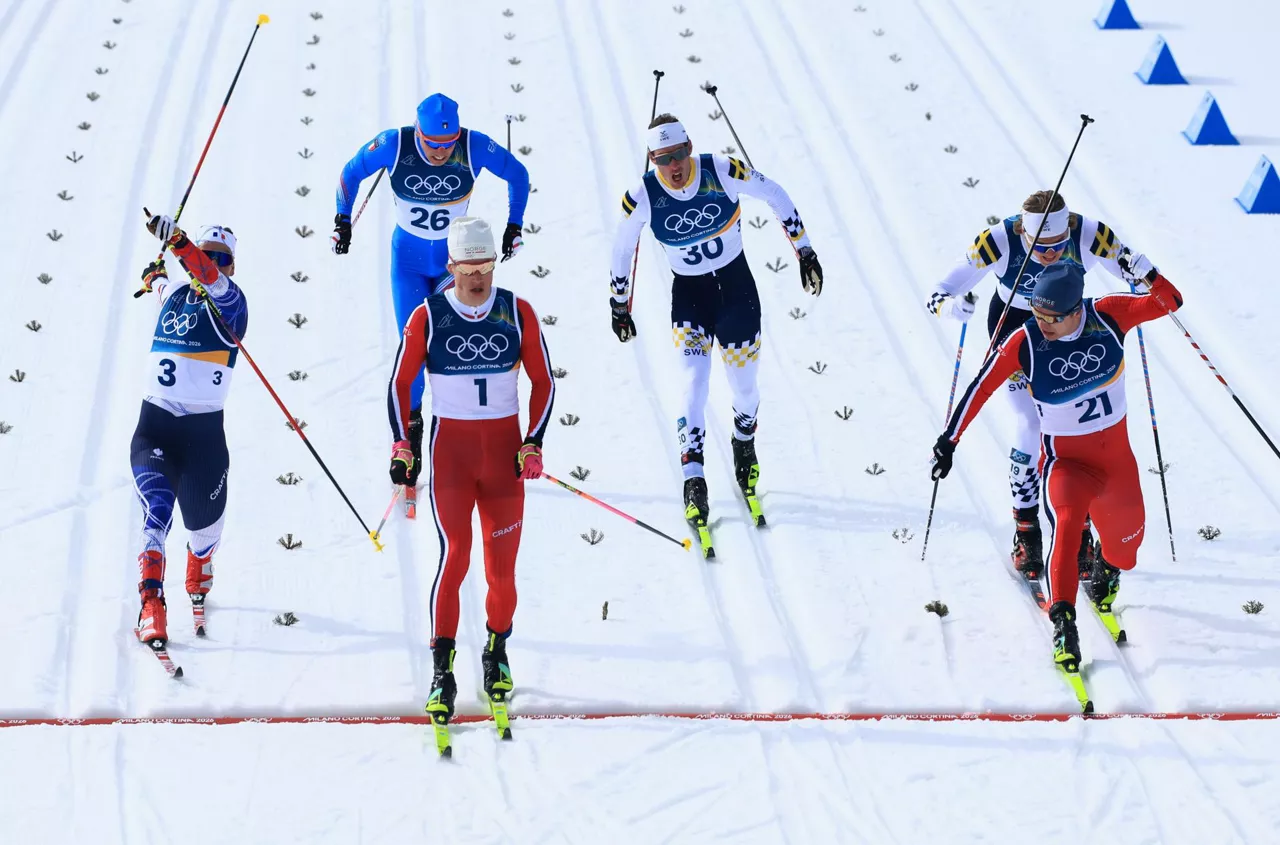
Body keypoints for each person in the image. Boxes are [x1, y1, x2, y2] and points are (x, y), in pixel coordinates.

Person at [929, 260, 1182, 671]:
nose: (1042, 323)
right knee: (1066, 525)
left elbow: (1170, 301)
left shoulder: (1109, 315)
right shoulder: (1024, 341)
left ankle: (1108, 570)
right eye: (1037, 313)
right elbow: (981, 386)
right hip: (1067, 464)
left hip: (1117, 463)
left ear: (1076, 310)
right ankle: (1064, 623)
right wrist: (949, 440)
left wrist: (1145, 271)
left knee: (1127, 545)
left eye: (1052, 317)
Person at [923, 190, 1163, 581]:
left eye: (1058, 246)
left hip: (1074, 330)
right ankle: (1027, 529)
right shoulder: (998, 240)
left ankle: (1080, 525)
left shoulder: (1088, 233)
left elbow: (1138, 277)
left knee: (1074, 431)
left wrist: (1143, 272)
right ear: (1023, 232)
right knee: (1032, 426)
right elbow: (936, 295)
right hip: (1016, 330)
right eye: (1040, 247)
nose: (1051, 254)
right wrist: (953, 307)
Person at [607, 113, 823, 534]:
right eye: (664, 158)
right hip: (690, 299)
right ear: (652, 159)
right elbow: (622, 247)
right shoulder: (643, 194)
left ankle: (744, 444)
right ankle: (694, 481)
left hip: (737, 292)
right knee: (693, 384)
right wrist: (619, 304)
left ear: (690, 147)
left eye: (681, 153)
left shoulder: (720, 170)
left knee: (744, 386)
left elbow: (776, 194)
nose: (675, 165)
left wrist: (806, 252)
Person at [386, 216, 554, 725]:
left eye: (486, 267)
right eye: (468, 270)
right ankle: (442, 669)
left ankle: (496, 651)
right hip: (453, 456)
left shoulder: (518, 312)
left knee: (501, 572)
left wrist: (533, 442)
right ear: (451, 266)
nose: (478, 280)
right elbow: (399, 383)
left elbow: (544, 382)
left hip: (503, 459)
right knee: (455, 555)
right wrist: (402, 443)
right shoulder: (429, 316)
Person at [335, 93, 531, 486]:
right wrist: (342, 218)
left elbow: (518, 174)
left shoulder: (472, 146)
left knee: (446, 345)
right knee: (412, 346)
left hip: (450, 263)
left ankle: (457, 435)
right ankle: (408, 436)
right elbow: (350, 173)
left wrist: (515, 225)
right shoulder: (395, 144)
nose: (442, 152)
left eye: (448, 144)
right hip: (406, 261)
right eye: (433, 144)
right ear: (419, 134)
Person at [131, 213, 250, 647]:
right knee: (156, 516)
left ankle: (199, 559)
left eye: (221, 259)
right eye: (209, 254)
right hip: (155, 427)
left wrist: (179, 242)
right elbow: (162, 284)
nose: (213, 264)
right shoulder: (176, 294)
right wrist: (154, 276)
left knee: (204, 532)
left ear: (231, 266)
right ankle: (151, 605)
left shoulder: (233, 303)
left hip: (203, 440)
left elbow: (203, 273)